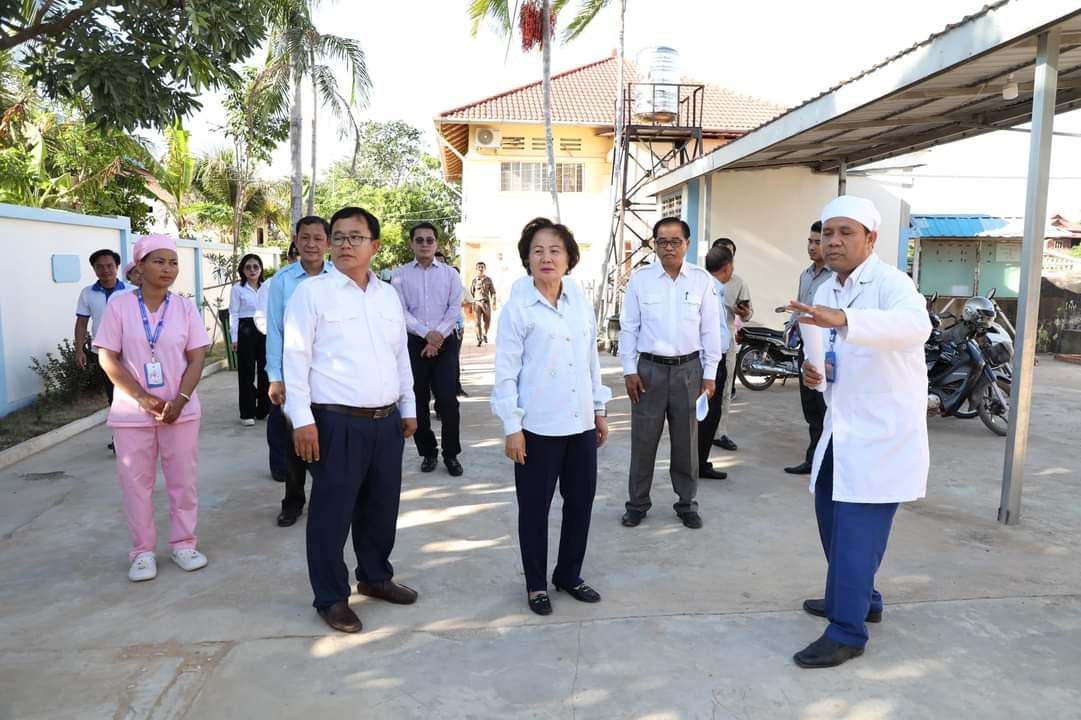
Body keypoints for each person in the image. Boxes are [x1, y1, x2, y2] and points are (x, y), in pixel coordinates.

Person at [787, 195, 930, 668]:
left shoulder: (892, 283)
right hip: (841, 426)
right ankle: (861, 598)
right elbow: (829, 354)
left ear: (871, 239)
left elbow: (915, 326)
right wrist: (815, 373)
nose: (833, 241)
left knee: (854, 532)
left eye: (845, 232)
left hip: (882, 434)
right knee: (829, 514)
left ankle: (846, 631)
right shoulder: (827, 289)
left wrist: (847, 320)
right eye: (828, 233)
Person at [284, 206, 419, 634]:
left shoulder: (387, 295)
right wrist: (301, 420)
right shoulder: (312, 293)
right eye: (338, 237)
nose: (345, 244)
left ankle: (375, 576)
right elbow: (295, 359)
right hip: (334, 422)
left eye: (355, 237)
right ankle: (331, 597)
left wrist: (409, 407)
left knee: (381, 507)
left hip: (386, 421)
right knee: (332, 513)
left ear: (374, 246)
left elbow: (400, 356)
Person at [492, 218, 612, 616]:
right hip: (537, 429)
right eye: (538, 250)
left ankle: (569, 574)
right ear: (527, 258)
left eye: (555, 250)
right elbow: (506, 373)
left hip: (580, 424)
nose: (546, 257)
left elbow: (590, 360)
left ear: (569, 258)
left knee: (580, 503)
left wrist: (598, 410)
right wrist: (512, 427)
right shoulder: (517, 309)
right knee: (535, 510)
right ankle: (535, 584)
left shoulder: (578, 300)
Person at [93, 234, 211, 582]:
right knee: (136, 485)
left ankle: (184, 544)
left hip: (180, 412)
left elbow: (197, 357)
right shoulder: (119, 307)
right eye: (159, 261)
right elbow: (107, 358)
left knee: (183, 482)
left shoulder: (185, 308)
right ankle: (142, 552)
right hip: (132, 413)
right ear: (139, 267)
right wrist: (143, 398)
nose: (167, 268)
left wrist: (181, 400)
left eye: (173, 262)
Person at [619, 217, 722, 530]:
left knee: (686, 443)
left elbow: (711, 330)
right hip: (648, 371)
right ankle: (637, 504)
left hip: (689, 371)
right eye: (662, 241)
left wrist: (710, 374)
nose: (668, 247)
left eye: (675, 241)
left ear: (686, 244)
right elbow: (629, 327)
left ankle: (686, 504)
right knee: (643, 441)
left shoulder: (701, 281)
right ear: (655, 245)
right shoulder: (641, 280)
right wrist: (629, 370)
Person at [266, 216, 332, 526]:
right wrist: (275, 376)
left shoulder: (338, 277)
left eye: (318, 238)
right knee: (295, 441)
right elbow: (275, 331)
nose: (311, 244)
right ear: (296, 240)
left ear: (327, 242)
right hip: (293, 375)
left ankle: (327, 501)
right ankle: (293, 501)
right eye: (305, 237)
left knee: (329, 439)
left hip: (330, 375)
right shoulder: (282, 281)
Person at [392, 223, 464, 477]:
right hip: (414, 343)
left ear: (436, 243)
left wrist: (437, 338)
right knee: (417, 399)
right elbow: (400, 311)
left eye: (429, 240)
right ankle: (428, 452)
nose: (425, 244)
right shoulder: (399, 276)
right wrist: (426, 335)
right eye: (419, 240)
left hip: (445, 343)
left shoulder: (450, 275)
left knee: (447, 399)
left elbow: (454, 309)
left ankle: (451, 454)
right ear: (411, 243)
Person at [784, 221, 833, 475]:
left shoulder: (834, 278)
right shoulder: (805, 275)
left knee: (827, 407)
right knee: (811, 407)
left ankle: (828, 464)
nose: (813, 247)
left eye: (818, 242)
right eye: (810, 242)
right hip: (807, 348)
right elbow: (800, 308)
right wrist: (790, 328)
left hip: (828, 349)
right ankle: (813, 459)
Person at [75, 249, 127, 447]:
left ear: (117, 267)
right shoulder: (87, 293)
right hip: (104, 354)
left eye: (109, 266)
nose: (105, 270)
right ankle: (120, 438)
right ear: (94, 269)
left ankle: (138, 435)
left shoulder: (131, 291)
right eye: (100, 267)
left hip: (132, 353)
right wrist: (79, 350)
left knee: (135, 395)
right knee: (113, 396)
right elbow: (81, 323)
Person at [697, 245, 734, 480]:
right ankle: (698, 463)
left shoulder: (713, 288)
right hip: (711, 363)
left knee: (709, 415)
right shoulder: (711, 289)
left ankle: (699, 461)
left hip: (712, 360)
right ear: (727, 268)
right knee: (708, 416)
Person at [711, 237, 752, 452]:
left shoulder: (739, 283)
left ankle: (719, 433)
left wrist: (743, 313)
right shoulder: (700, 280)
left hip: (726, 345)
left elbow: (748, 313)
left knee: (725, 390)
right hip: (701, 345)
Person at [230, 253, 269, 426]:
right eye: (248, 267)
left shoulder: (267, 287)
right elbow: (234, 313)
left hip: (265, 329)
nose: (252, 270)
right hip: (246, 329)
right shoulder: (237, 289)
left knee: (265, 371)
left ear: (261, 269)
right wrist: (234, 338)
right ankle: (247, 413)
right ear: (242, 270)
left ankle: (264, 409)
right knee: (246, 372)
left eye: (255, 267)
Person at [471, 261, 496, 346]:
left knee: (487, 321)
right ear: (476, 269)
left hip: (486, 303)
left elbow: (493, 292)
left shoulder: (489, 280)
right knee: (477, 322)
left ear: (484, 268)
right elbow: (471, 293)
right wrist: (472, 304)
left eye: (482, 267)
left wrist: (494, 303)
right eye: (479, 267)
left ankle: (485, 334)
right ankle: (479, 338)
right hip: (477, 303)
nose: (481, 268)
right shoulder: (474, 281)